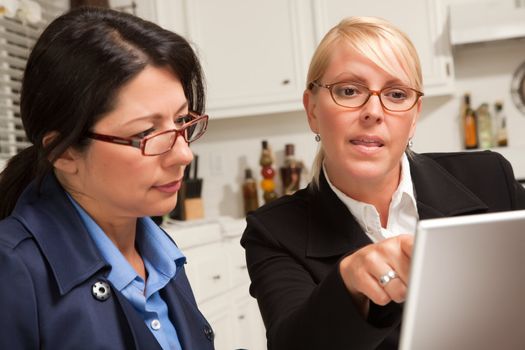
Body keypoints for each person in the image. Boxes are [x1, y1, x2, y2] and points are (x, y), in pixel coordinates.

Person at [241, 16, 525, 350]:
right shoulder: (273, 232)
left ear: (415, 115)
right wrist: (349, 283)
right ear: (313, 109)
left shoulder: (490, 178)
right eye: (349, 90)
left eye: (395, 94)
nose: (373, 111)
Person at [0, 7, 215, 350]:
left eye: (181, 121)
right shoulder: (13, 269)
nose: (183, 155)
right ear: (64, 151)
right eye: (146, 132)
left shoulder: (160, 254)